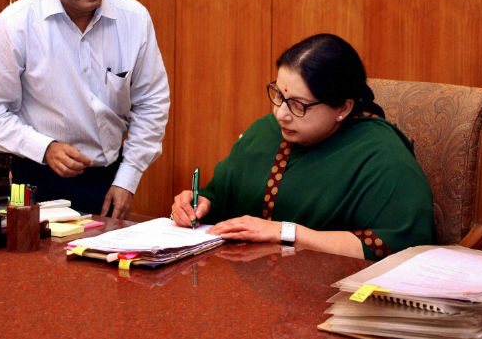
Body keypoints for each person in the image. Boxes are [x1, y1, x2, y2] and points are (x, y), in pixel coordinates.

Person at [0, 0, 170, 218]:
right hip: (36, 176)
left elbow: (152, 104)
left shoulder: (133, 19)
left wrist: (128, 178)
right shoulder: (16, 25)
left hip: (108, 180)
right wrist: (45, 147)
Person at [171, 33, 434, 260]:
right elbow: (221, 198)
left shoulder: (382, 157)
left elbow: (401, 246)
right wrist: (200, 204)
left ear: (343, 108)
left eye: (298, 105)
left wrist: (287, 233)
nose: (281, 114)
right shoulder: (265, 133)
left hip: (331, 293)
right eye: (278, 95)